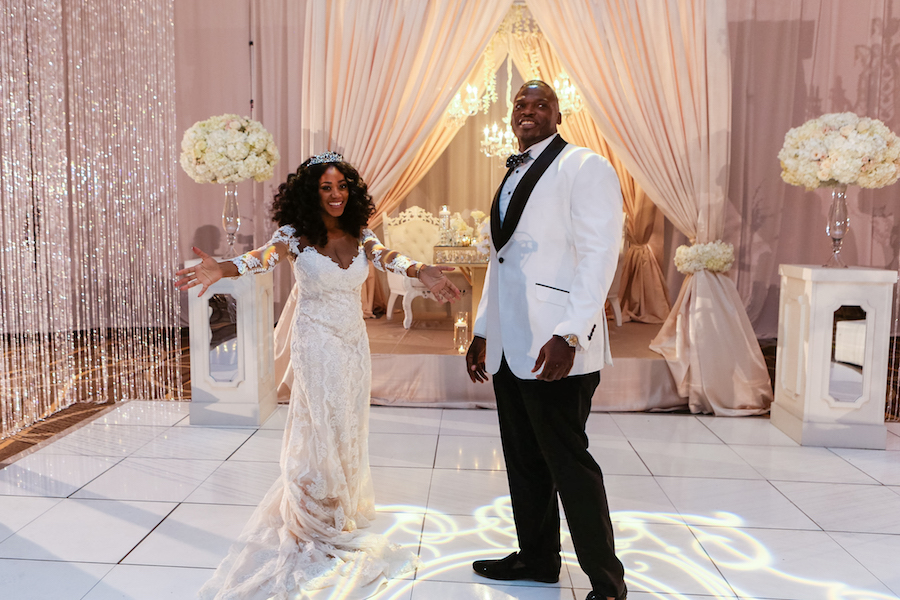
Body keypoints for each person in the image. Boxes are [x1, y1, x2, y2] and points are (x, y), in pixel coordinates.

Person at [175, 151, 460, 600]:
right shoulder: (295, 235)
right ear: (312, 193)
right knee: (322, 420)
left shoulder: (361, 233)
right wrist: (223, 268)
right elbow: (260, 258)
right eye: (326, 187)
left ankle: (341, 498)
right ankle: (315, 506)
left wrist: (421, 269)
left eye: (342, 186)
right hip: (315, 340)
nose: (335, 195)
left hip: (353, 341)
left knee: (348, 419)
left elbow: (387, 257)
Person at [465, 81, 627, 600]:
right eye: (520, 104)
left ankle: (607, 582)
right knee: (523, 459)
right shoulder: (512, 172)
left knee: (569, 463)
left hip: (556, 346)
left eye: (541, 104)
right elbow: (501, 260)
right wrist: (483, 331)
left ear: (559, 115)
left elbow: (599, 256)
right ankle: (537, 559)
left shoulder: (586, 166)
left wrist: (569, 333)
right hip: (510, 343)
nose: (528, 111)